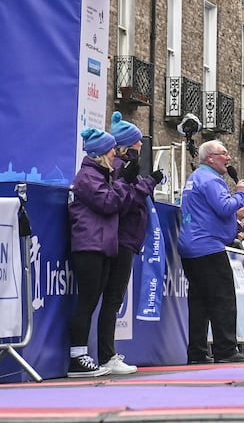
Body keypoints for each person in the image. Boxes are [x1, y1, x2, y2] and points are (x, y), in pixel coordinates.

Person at [96, 112, 162, 375]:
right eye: (137, 142)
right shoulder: (123, 167)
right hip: (122, 237)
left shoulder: (123, 165)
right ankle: (106, 355)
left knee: (113, 298)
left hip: (126, 237)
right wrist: (149, 183)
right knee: (112, 298)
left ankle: (107, 354)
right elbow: (128, 199)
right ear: (128, 144)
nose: (141, 145)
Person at [177, 140, 244, 364]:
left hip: (191, 245)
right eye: (224, 154)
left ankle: (197, 352)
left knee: (199, 301)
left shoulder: (195, 178)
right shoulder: (211, 180)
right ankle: (226, 349)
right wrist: (240, 194)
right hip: (208, 246)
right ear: (210, 158)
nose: (228, 158)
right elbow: (224, 207)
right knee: (223, 298)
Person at [67, 127, 127, 377]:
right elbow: (108, 203)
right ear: (102, 152)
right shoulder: (88, 177)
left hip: (100, 246)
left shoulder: (101, 176)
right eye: (112, 149)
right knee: (87, 302)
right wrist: (125, 184)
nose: (116, 153)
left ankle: (82, 354)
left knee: (92, 301)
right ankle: (77, 357)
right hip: (88, 246)